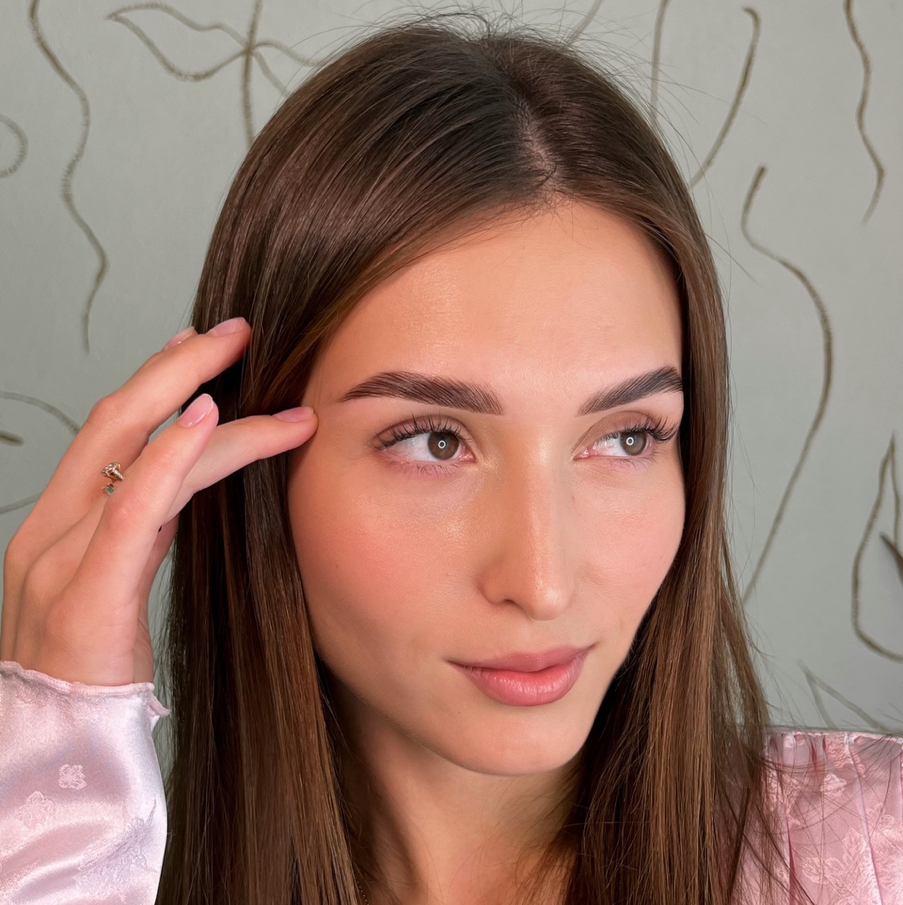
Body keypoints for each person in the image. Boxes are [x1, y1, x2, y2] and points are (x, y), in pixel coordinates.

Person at [0, 11, 901, 905]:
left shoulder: (871, 857)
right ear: (249, 466)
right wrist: (60, 774)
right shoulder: (90, 865)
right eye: (435, 441)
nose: (541, 583)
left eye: (626, 436)